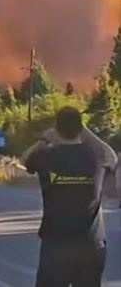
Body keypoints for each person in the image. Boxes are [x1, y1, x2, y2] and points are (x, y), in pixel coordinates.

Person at [23, 106, 118, 287]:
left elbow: (25, 159)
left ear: (56, 129)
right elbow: (112, 156)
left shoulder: (45, 156)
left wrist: (44, 139)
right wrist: (85, 131)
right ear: (80, 128)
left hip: (56, 246)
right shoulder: (97, 157)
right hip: (91, 245)